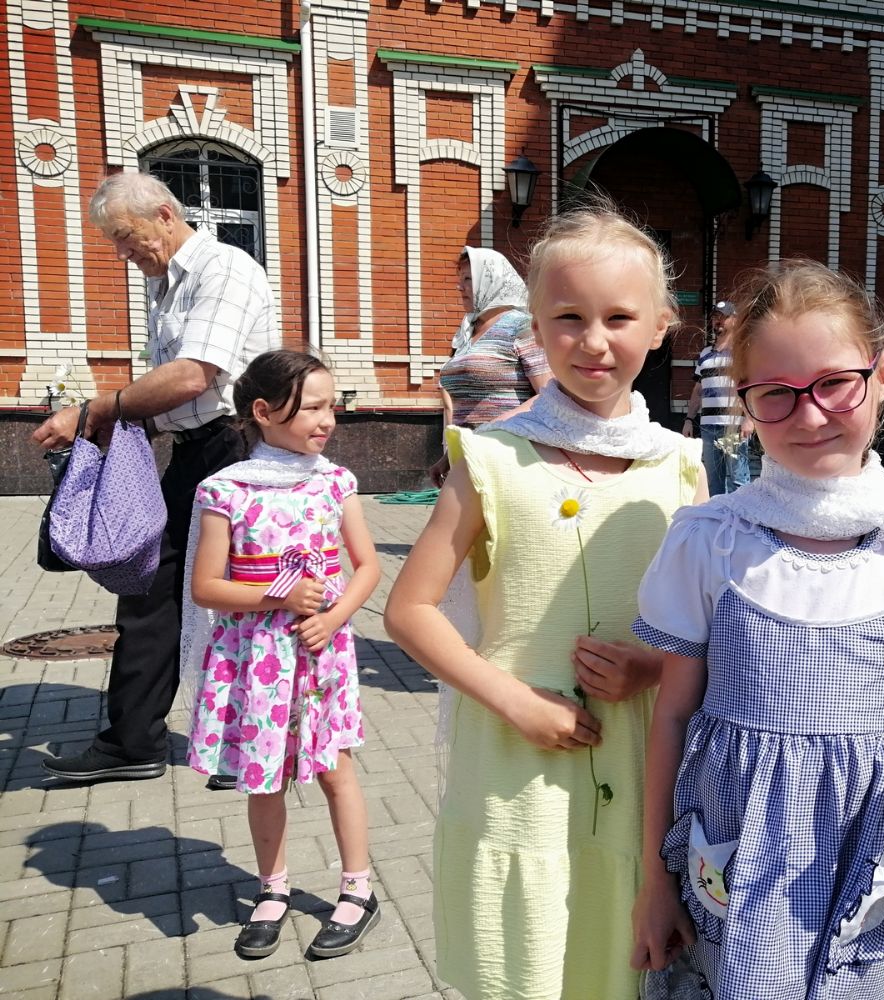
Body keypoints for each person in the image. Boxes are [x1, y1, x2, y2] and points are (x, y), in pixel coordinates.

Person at [630, 261, 884, 998]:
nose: (809, 416)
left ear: (882, 375)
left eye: (834, 383)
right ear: (742, 401)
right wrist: (652, 880)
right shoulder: (715, 539)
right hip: (732, 852)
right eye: (775, 393)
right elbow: (671, 716)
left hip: (856, 851)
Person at [383, 202, 705, 1000]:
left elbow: (701, 630)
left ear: (660, 326)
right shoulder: (492, 458)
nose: (593, 341)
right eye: (568, 317)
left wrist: (650, 668)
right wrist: (516, 702)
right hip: (513, 772)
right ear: (534, 326)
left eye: (618, 318)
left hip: (636, 769)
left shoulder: (681, 468)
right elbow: (410, 610)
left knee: (614, 965)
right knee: (521, 965)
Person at [32, 172, 278, 784]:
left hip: (240, 450)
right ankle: (133, 742)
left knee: (246, 597)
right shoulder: (165, 285)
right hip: (196, 452)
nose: (122, 252)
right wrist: (122, 423)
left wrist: (95, 410)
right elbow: (173, 391)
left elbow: (194, 376)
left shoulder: (224, 269)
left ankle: (256, 740)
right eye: (114, 241)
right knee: (151, 586)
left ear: (165, 215)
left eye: (125, 235)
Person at [182, 350, 382, 958]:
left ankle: (358, 888)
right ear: (264, 412)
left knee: (335, 768)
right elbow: (205, 587)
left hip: (319, 653)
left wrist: (334, 617)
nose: (328, 420)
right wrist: (279, 595)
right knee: (263, 775)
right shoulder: (226, 490)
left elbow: (367, 567)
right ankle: (273, 888)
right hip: (256, 659)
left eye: (332, 406)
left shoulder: (335, 482)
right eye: (313, 407)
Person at [429, 246, 552, 486]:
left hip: (510, 457)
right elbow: (470, 407)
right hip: (468, 457)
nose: (460, 287)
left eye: (468, 279)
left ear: (492, 280)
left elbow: (548, 394)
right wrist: (448, 457)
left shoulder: (522, 327)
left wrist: (493, 428)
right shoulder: (467, 332)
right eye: (460, 279)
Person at [683, 301, 753, 495]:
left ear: (735, 320)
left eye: (723, 317)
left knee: (739, 481)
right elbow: (698, 391)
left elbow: (750, 388)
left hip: (733, 427)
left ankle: (742, 515)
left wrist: (749, 418)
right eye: (715, 317)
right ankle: (718, 514)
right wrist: (688, 419)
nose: (718, 321)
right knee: (713, 482)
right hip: (708, 427)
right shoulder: (705, 354)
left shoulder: (742, 353)